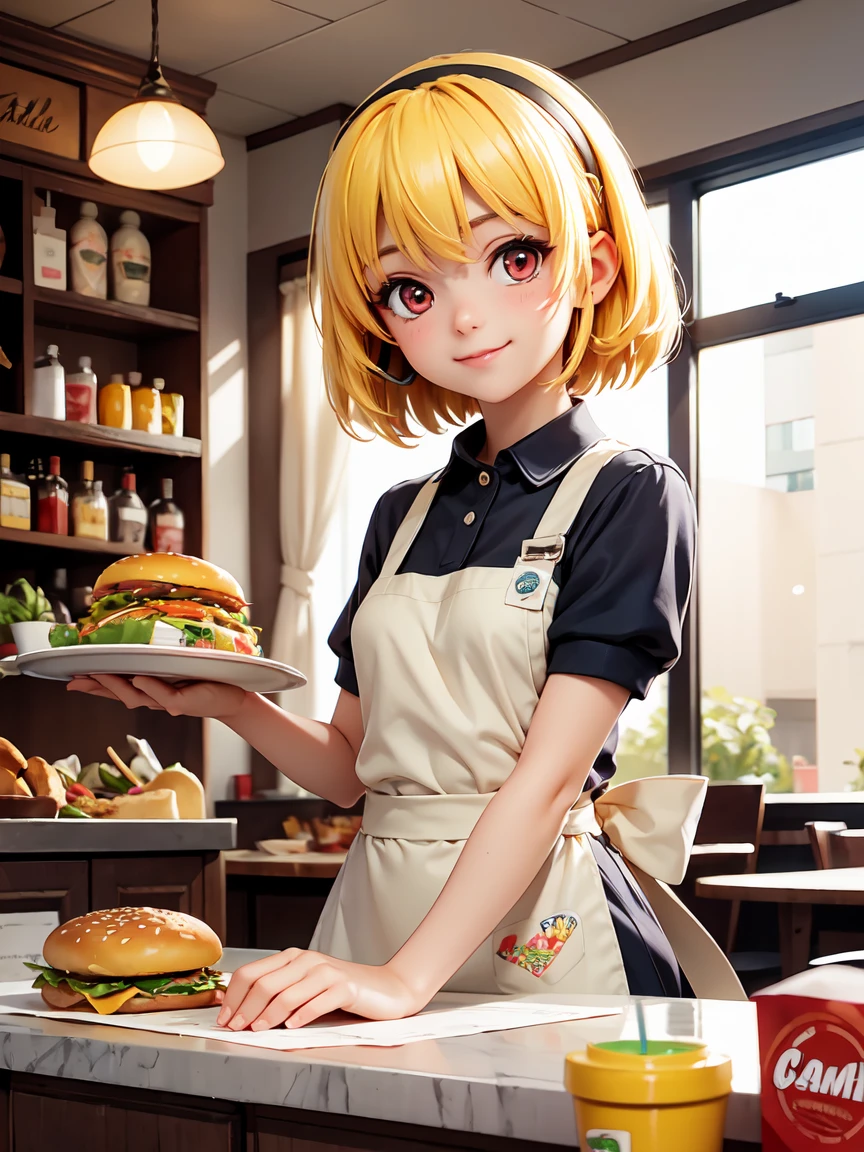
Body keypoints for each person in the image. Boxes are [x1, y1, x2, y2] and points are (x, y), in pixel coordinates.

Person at [69, 51, 745, 1032]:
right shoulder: (402, 513)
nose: (467, 316)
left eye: (514, 256)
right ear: (378, 319)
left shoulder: (630, 494)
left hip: (543, 930)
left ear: (592, 265)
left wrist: (403, 979)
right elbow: (351, 765)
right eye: (411, 289)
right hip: (376, 910)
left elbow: (547, 778)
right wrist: (214, 696)